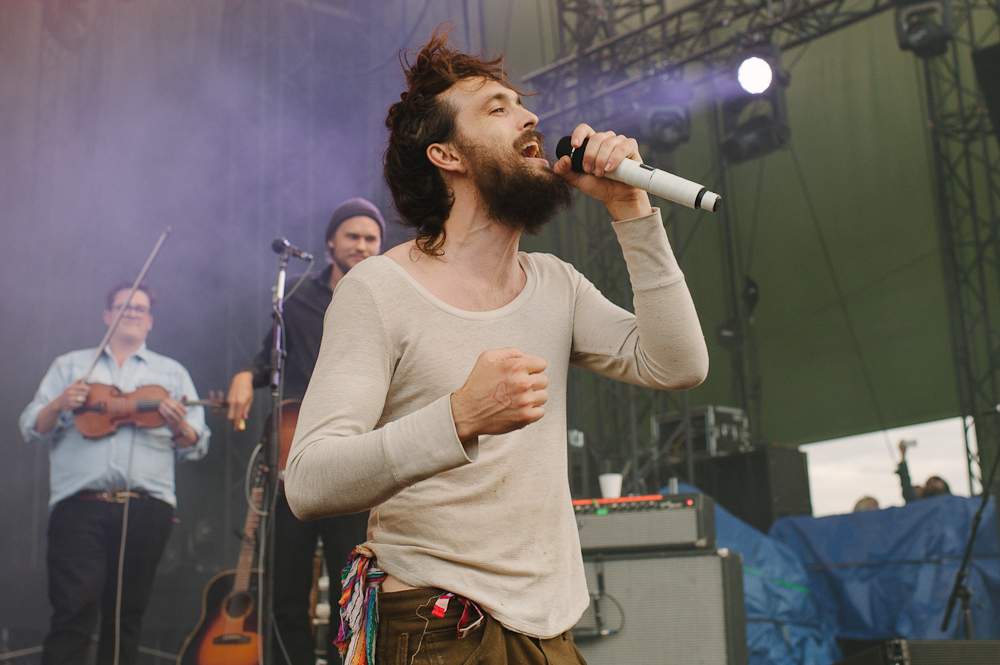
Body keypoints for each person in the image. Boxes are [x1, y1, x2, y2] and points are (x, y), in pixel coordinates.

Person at [284, 28, 709, 665]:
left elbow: (679, 364)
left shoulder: (555, 284)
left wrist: (631, 209)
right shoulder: (380, 288)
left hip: (551, 624)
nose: (530, 115)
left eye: (520, 103)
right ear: (447, 156)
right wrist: (459, 417)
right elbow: (309, 480)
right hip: (435, 621)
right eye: (496, 108)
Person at [225, 198, 384, 664]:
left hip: (354, 464)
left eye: (371, 238)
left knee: (349, 592)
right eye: (352, 236)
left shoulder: (387, 298)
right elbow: (269, 355)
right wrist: (244, 375)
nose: (361, 245)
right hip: (293, 459)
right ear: (331, 242)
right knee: (283, 592)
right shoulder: (296, 294)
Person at [19, 282, 210, 665]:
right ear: (108, 316)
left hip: (147, 507)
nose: (133, 313)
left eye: (140, 308)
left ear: (150, 321)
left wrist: (177, 425)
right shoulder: (71, 366)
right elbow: (31, 427)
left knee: (127, 616)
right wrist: (59, 403)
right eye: (124, 307)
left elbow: (197, 443)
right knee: (73, 611)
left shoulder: (171, 373)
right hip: (79, 506)